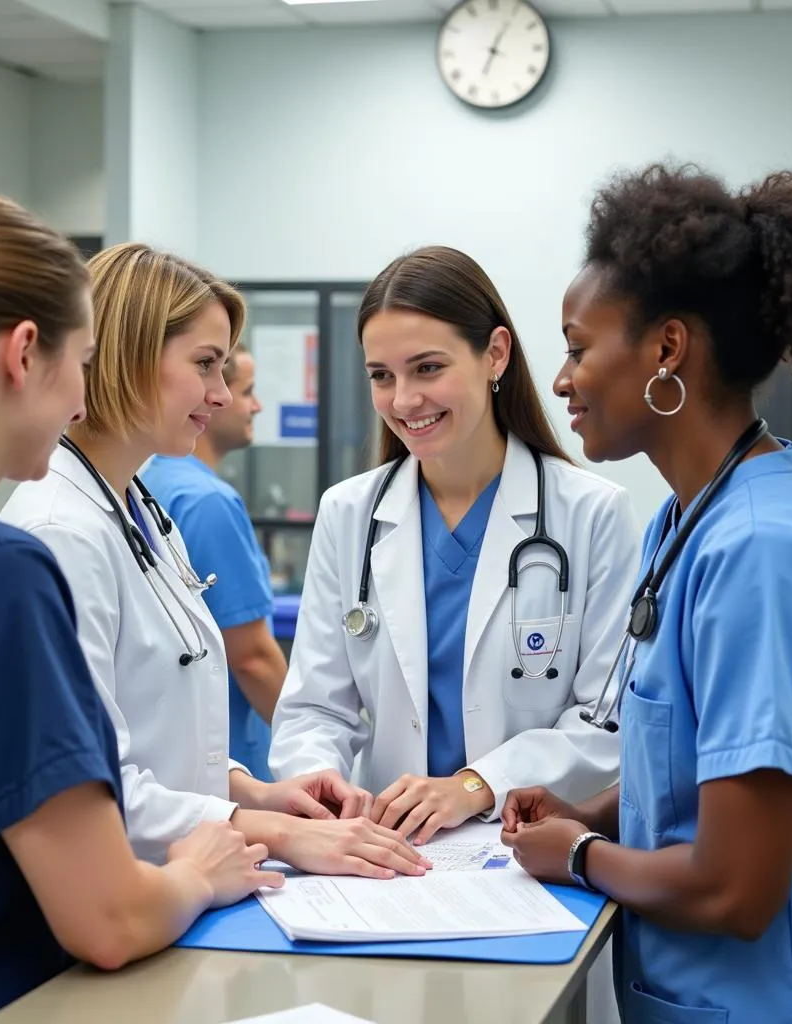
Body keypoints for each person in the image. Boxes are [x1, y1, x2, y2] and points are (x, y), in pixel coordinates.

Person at [0, 198, 282, 1024]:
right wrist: (201, 870)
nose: (84, 397)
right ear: (22, 355)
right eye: (83, 362)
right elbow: (109, 920)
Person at [501, 164, 792, 1023]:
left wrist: (581, 853)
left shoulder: (764, 551)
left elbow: (737, 888)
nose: (561, 381)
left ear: (667, 350)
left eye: (577, 346)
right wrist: (588, 808)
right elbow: (695, 770)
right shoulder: (686, 523)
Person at [0, 241, 429, 879]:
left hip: (175, 882)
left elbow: (155, 729)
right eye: (206, 364)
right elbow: (92, 785)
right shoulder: (62, 532)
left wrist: (252, 792)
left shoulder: (139, 508)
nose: (222, 394)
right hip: (116, 898)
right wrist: (274, 831)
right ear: (129, 354)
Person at [268, 245, 642, 845]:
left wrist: (474, 785)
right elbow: (316, 706)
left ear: (494, 354)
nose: (404, 400)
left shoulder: (590, 513)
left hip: (523, 845)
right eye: (381, 376)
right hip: (383, 846)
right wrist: (321, 782)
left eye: (428, 368)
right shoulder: (349, 514)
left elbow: (607, 720)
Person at [143, 345, 283, 782]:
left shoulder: (146, 481)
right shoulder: (207, 502)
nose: (253, 405)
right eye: (249, 391)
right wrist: (317, 741)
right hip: (229, 763)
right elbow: (253, 659)